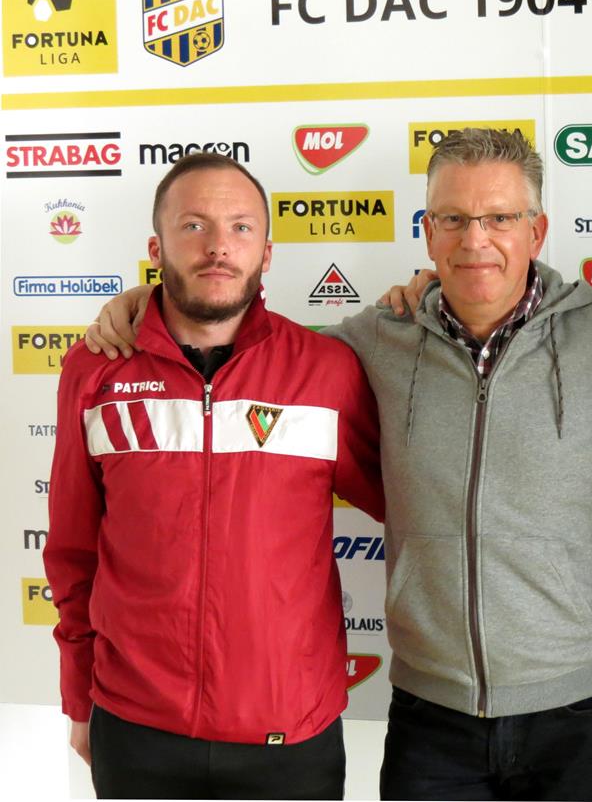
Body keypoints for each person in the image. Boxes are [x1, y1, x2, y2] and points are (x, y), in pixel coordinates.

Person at [86, 130, 592, 801]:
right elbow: (249, 352)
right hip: (431, 710)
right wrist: (147, 308)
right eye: (453, 218)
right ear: (428, 232)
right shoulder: (375, 341)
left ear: (538, 230)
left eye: (500, 217)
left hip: (583, 705)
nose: (475, 240)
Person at [45, 153, 385, 799]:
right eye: (194, 225)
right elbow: (72, 548)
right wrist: (78, 694)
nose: (219, 247)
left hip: (290, 727)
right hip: (136, 723)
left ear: (267, 252)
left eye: (240, 227)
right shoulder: (96, 370)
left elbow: (414, 502)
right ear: (156, 248)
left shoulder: (326, 370)